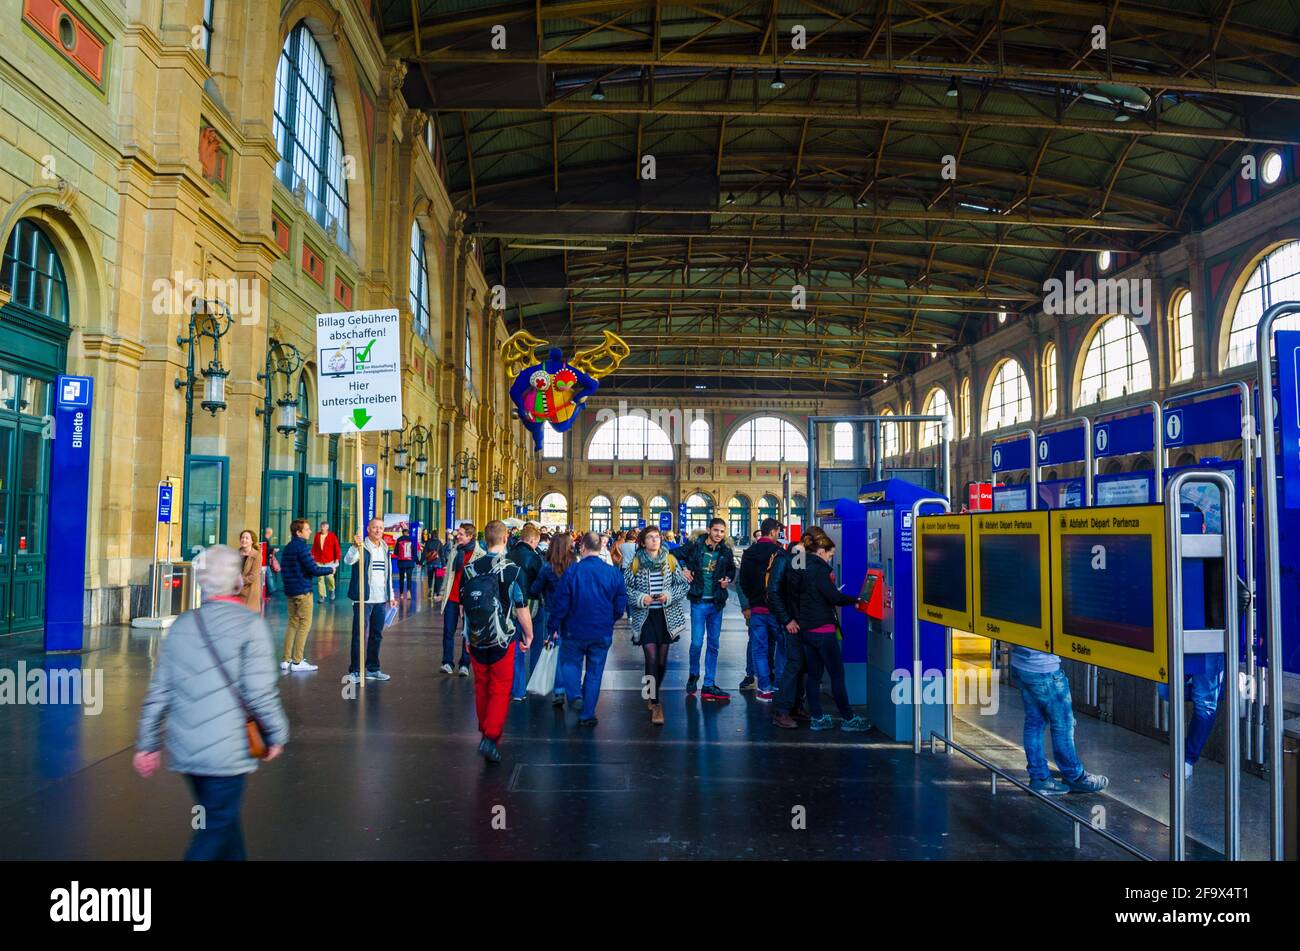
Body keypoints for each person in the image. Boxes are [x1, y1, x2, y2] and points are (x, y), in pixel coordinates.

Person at [134, 545, 288, 860]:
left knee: (223, 822)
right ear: (238, 581)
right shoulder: (250, 626)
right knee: (217, 825)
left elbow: (160, 689)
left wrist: (147, 743)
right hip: (227, 751)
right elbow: (260, 692)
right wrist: (276, 734)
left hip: (187, 747)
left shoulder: (183, 625)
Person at [463, 520, 534, 763]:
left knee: (481, 685)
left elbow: (466, 607)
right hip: (503, 638)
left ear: (485, 539)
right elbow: (521, 607)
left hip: (475, 637)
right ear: (505, 539)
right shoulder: (512, 570)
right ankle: (491, 736)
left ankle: (484, 729)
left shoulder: (470, 569)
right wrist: (529, 634)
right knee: (500, 688)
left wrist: (465, 635)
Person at [546, 531, 627, 725]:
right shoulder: (613, 573)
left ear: (582, 547)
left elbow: (561, 603)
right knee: (594, 672)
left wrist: (553, 627)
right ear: (601, 548)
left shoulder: (572, 572)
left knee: (570, 663)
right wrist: (611, 619)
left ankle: (574, 695)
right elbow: (620, 603)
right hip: (602, 630)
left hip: (574, 629)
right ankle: (587, 715)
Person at [795, 534, 872, 732]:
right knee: (837, 674)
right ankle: (848, 718)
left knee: (813, 675)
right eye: (830, 555)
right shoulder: (819, 570)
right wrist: (854, 600)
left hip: (806, 628)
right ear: (821, 552)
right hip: (823, 629)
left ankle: (818, 718)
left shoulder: (801, 565)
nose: (830, 559)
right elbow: (833, 596)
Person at [1010, 644, 1109, 794]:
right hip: (1044, 669)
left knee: (1034, 723)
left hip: (1020, 664)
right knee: (1063, 725)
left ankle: (1039, 778)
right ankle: (1075, 777)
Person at [624, 526, 689, 725]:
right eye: (650, 538)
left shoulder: (670, 561)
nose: (655, 540)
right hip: (645, 617)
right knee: (651, 657)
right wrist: (641, 597)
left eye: (657, 537)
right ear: (643, 542)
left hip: (666, 617)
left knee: (661, 662)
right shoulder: (635, 563)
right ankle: (655, 701)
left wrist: (668, 596)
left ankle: (651, 690)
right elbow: (626, 587)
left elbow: (683, 585)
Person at [677, 517, 736, 701]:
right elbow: (673, 555)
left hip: (716, 604)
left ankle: (709, 684)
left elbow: (732, 570)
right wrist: (683, 569)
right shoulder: (695, 545)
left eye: (722, 531)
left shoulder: (725, 551)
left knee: (713, 644)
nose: (719, 534)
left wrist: (728, 579)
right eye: (716, 530)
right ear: (709, 529)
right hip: (699, 602)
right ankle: (694, 674)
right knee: (696, 643)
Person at [770, 530, 821, 728]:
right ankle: (782, 710)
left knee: (801, 665)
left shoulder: (797, 555)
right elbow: (777, 591)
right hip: (792, 621)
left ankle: (794, 706)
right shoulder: (793, 556)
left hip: (800, 620)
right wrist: (787, 619)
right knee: (794, 664)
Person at [343, 517, 398, 682]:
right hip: (363, 599)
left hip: (381, 599)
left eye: (381, 528)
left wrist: (391, 596)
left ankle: (373, 669)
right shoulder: (362, 546)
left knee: (377, 635)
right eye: (375, 527)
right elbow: (348, 560)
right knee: (359, 635)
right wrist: (354, 546)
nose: (378, 530)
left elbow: (387, 575)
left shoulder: (385, 548)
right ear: (368, 529)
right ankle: (355, 671)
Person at [737, 517, 784, 701]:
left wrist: (752, 600)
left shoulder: (748, 553)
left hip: (757, 609)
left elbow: (743, 581)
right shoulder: (778, 552)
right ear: (772, 532)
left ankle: (764, 688)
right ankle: (779, 684)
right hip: (775, 608)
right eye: (777, 532)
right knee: (782, 646)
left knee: (759, 649)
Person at [278, 518, 334, 673]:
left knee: (292, 623)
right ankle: (297, 661)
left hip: (291, 591)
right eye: (307, 529)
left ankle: (286, 659)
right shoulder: (302, 548)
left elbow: (285, 568)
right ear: (299, 532)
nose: (310, 531)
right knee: (304, 624)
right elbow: (313, 569)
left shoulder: (289, 547)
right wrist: (330, 570)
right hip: (303, 591)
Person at [532, 530, 575, 706]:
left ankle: (558, 690)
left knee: (555, 650)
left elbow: (534, 590)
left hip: (551, 612)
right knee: (570, 652)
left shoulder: (546, 567)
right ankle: (569, 690)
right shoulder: (574, 565)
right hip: (572, 613)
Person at [436, 522, 483, 675]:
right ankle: (447, 662)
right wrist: (443, 592)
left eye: (461, 534)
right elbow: (448, 574)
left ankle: (464, 664)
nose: (458, 536)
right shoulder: (455, 551)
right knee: (448, 631)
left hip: (469, 600)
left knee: (467, 633)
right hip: (452, 597)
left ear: (470, 536)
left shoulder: (480, 554)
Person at [507, 523, 545, 701]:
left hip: (512, 606)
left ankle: (518, 690)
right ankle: (535, 685)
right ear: (533, 540)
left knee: (517, 648)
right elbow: (541, 581)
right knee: (536, 644)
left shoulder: (509, 554)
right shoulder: (534, 557)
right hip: (533, 605)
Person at [312, 521, 342, 604]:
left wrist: (337, 559)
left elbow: (337, 548)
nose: (322, 528)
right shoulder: (317, 536)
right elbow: (314, 547)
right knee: (320, 579)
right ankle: (322, 596)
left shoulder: (332, 536)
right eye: (321, 526)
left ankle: (332, 590)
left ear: (327, 528)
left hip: (329, 561)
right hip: (319, 561)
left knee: (329, 578)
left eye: (324, 527)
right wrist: (312, 557)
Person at [237, 530, 262, 613]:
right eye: (242, 538)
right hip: (236, 591)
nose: (244, 540)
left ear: (252, 541)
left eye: (247, 538)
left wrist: (237, 581)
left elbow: (252, 577)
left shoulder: (257, 556)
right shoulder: (235, 554)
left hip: (250, 593)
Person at [394, 526, 416, 600]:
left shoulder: (399, 540)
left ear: (402, 533)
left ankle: (401, 594)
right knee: (409, 578)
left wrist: (400, 555)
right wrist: (417, 561)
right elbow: (414, 552)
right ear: (408, 534)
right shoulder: (411, 540)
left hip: (401, 563)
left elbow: (395, 552)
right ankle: (409, 592)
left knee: (401, 578)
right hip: (410, 562)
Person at [422, 533, 444, 599]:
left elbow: (424, 553)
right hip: (439, 563)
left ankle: (430, 589)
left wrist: (420, 562)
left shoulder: (428, 542)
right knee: (439, 578)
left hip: (430, 563)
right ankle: (436, 593)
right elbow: (442, 554)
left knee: (430, 577)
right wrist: (444, 564)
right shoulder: (439, 543)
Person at [262, 528, 281, 597]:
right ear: (269, 533)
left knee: (268, 575)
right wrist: (273, 550)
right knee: (269, 575)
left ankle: (271, 589)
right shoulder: (265, 540)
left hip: (265, 560)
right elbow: (267, 550)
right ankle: (271, 589)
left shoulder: (265, 540)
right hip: (265, 561)